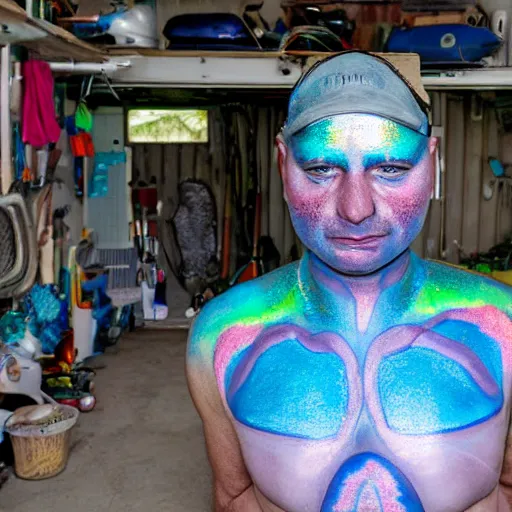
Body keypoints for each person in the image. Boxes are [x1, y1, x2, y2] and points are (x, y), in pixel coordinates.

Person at [186, 51, 512, 512]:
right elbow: (235, 497)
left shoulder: (505, 329)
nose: (355, 210)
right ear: (283, 166)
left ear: (432, 164)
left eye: (391, 169)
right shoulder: (222, 338)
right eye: (321, 169)